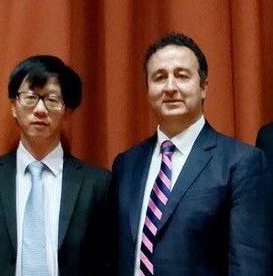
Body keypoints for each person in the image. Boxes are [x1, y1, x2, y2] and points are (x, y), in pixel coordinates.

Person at [111, 32, 273, 275]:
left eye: (181, 76)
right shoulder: (126, 164)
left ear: (203, 87)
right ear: (148, 90)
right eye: (159, 77)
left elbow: (249, 263)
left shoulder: (241, 162)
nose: (170, 87)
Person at [0, 55, 112, 276]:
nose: (40, 110)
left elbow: (106, 262)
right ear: (13, 106)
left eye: (52, 100)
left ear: (67, 111)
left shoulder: (97, 184)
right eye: (30, 97)